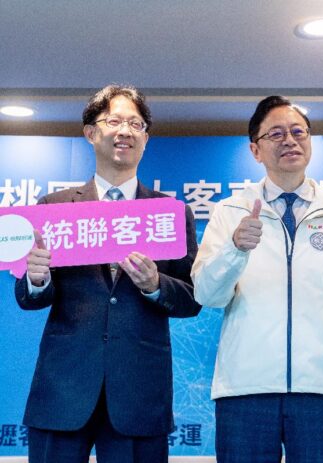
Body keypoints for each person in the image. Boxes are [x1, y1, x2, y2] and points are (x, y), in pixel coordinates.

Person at [14, 84, 201, 463]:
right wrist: (37, 278)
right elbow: (28, 297)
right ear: (90, 132)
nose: (125, 131)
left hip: (138, 390)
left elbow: (193, 299)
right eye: (114, 121)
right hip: (64, 388)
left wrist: (155, 285)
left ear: (146, 138)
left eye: (136, 124)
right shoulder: (55, 208)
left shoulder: (169, 214)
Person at [191, 95, 323, 463]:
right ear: (255, 150)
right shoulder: (230, 211)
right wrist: (234, 250)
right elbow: (207, 294)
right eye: (276, 134)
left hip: (322, 388)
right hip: (245, 388)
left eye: (298, 132)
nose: (289, 141)